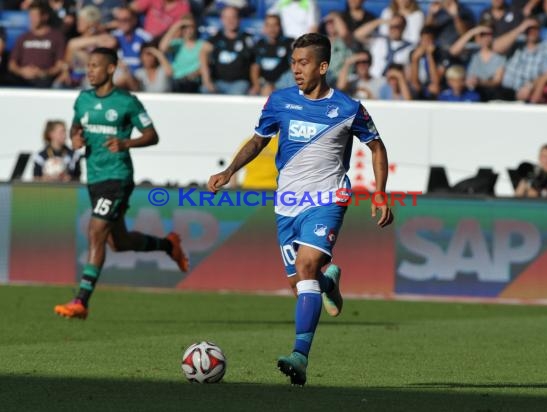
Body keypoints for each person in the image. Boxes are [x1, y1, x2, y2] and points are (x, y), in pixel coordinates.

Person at [207, 33, 393, 386]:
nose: (296, 69)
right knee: (300, 284)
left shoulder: (348, 108)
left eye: (303, 63)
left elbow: (377, 147)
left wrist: (380, 193)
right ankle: (328, 281)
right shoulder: (279, 101)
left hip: (327, 199)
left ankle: (299, 357)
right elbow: (259, 139)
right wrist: (230, 170)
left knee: (306, 265)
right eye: (293, 62)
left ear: (323, 67)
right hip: (288, 202)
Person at [54, 48, 189, 320]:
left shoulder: (127, 101)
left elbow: (152, 135)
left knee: (95, 231)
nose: (89, 70)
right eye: (87, 66)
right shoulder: (82, 99)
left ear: (110, 69)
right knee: (119, 242)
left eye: (94, 66)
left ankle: (81, 301)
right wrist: (75, 138)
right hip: (93, 176)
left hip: (117, 177)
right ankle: (168, 245)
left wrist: (126, 142)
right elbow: (75, 128)